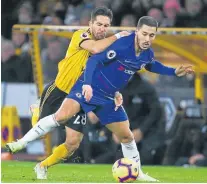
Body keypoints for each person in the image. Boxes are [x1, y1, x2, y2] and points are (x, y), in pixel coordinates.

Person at [7, 16, 194, 181]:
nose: (147, 39)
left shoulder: (146, 53)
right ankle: (21, 142)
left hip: (107, 98)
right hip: (87, 88)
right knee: (62, 116)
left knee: (126, 136)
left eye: (151, 35)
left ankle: (137, 173)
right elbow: (94, 59)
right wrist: (87, 84)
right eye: (144, 34)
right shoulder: (122, 43)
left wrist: (173, 71)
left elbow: (151, 65)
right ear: (137, 31)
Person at [7, 5, 126, 173]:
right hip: (59, 90)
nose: (102, 29)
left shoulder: (107, 49)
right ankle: (36, 109)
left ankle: (42, 167)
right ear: (91, 23)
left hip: (77, 96)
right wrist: (119, 36)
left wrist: (115, 92)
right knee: (42, 134)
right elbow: (94, 48)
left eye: (106, 26)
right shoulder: (82, 35)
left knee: (73, 143)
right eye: (99, 24)